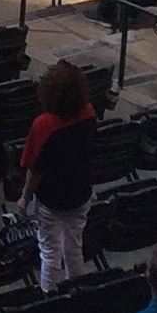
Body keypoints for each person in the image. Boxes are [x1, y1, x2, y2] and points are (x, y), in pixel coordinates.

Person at [20, 58, 98, 293]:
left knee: (50, 251)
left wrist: (25, 197)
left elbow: (34, 167)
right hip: (81, 191)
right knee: (74, 247)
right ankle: (78, 295)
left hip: (51, 198)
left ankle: (50, 298)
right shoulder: (89, 112)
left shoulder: (43, 124)